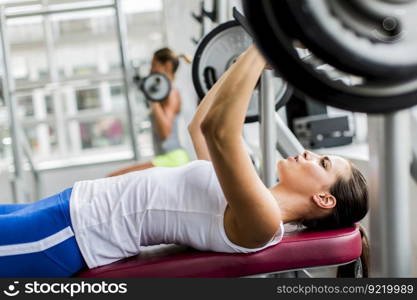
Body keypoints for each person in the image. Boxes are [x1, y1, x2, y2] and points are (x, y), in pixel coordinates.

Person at [0, 45, 369, 277]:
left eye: (322, 164)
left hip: (71, 234)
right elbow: (199, 126)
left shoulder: (262, 221)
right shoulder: (249, 191)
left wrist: (263, 47)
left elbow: (220, 131)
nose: (308, 153)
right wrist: (241, 59)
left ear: (324, 199)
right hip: (67, 211)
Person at [107, 48, 192, 177]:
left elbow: (165, 133)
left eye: (154, 65)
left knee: (113, 178)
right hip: (165, 158)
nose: (150, 70)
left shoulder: (172, 93)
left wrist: (153, 98)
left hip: (174, 158)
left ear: (167, 66)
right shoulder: (163, 94)